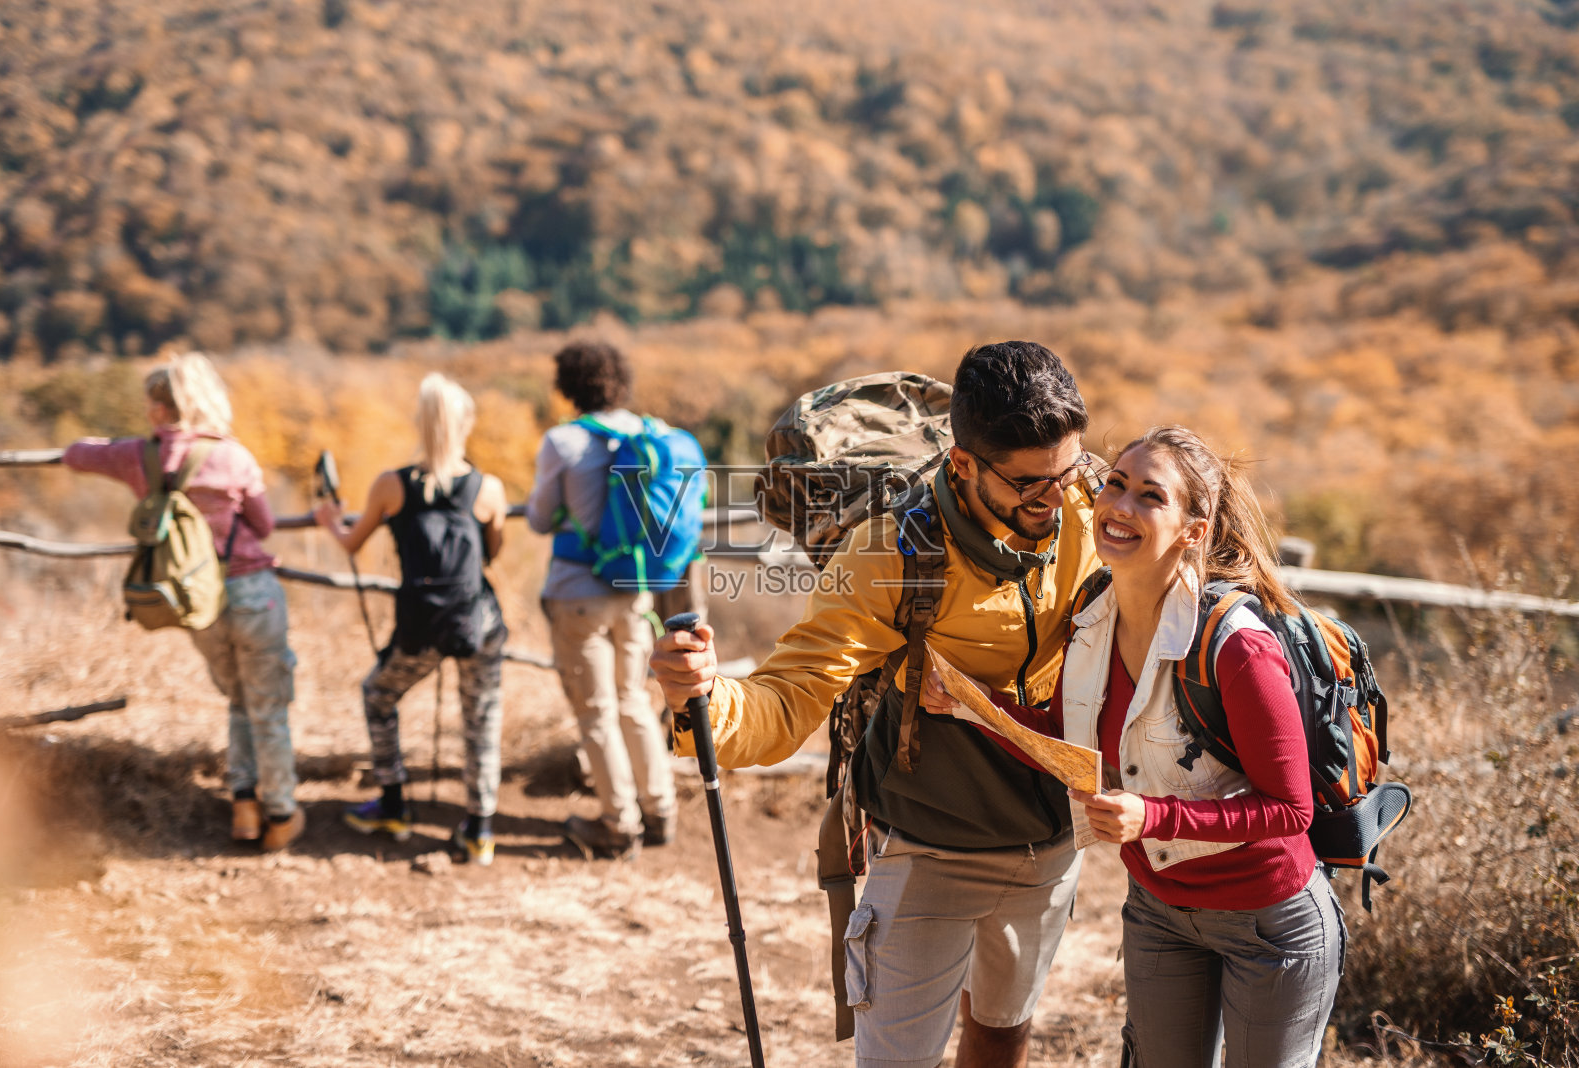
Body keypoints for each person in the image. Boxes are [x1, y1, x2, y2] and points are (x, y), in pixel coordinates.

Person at [652, 341, 1103, 1068]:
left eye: (1067, 472)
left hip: (1051, 840)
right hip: (928, 843)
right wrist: (703, 698)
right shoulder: (893, 553)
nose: (1054, 500)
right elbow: (791, 694)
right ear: (962, 464)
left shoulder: (1089, 508)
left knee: (1003, 1029)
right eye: (1028, 484)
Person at [1059, 426, 1343, 1068]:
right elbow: (1061, 739)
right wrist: (969, 707)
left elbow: (1291, 811)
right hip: (1159, 909)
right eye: (1116, 484)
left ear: (1193, 530)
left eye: (1150, 496)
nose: (1120, 506)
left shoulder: (1235, 646)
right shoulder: (1092, 617)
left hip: (1269, 923)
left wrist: (1151, 817)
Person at [64, 352, 302, 850]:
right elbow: (262, 525)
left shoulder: (139, 457)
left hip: (196, 602)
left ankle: (243, 805)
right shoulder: (231, 455)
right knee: (268, 707)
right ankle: (280, 813)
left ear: (158, 407)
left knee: (237, 699)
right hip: (253, 594)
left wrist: (108, 446)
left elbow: (76, 454)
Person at [315, 373, 509, 866]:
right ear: (466, 425)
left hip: (420, 627)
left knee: (378, 694)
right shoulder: (488, 490)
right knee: (481, 719)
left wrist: (329, 519)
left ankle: (394, 804)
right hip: (477, 624)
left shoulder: (390, 486)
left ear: (420, 425)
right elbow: (493, 553)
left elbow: (350, 542)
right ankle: (480, 830)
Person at [527, 340, 679, 861]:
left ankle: (619, 824)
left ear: (569, 385)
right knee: (633, 699)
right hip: (632, 590)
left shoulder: (562, 442)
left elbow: (540, 518)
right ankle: (660, 809)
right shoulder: (645, 433)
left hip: (578, 594)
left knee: (595, 712)